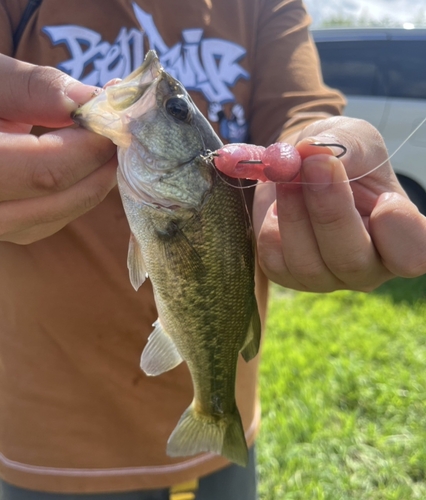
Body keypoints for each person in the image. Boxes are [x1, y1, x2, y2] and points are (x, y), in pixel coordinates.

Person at [0, 0, 425, 499]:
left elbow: (301, 111)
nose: (158, 93)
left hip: (225, 426)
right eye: (177, 109)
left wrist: (314, 155)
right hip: (50, 430)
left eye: (173, 108)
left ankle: (212, 409)